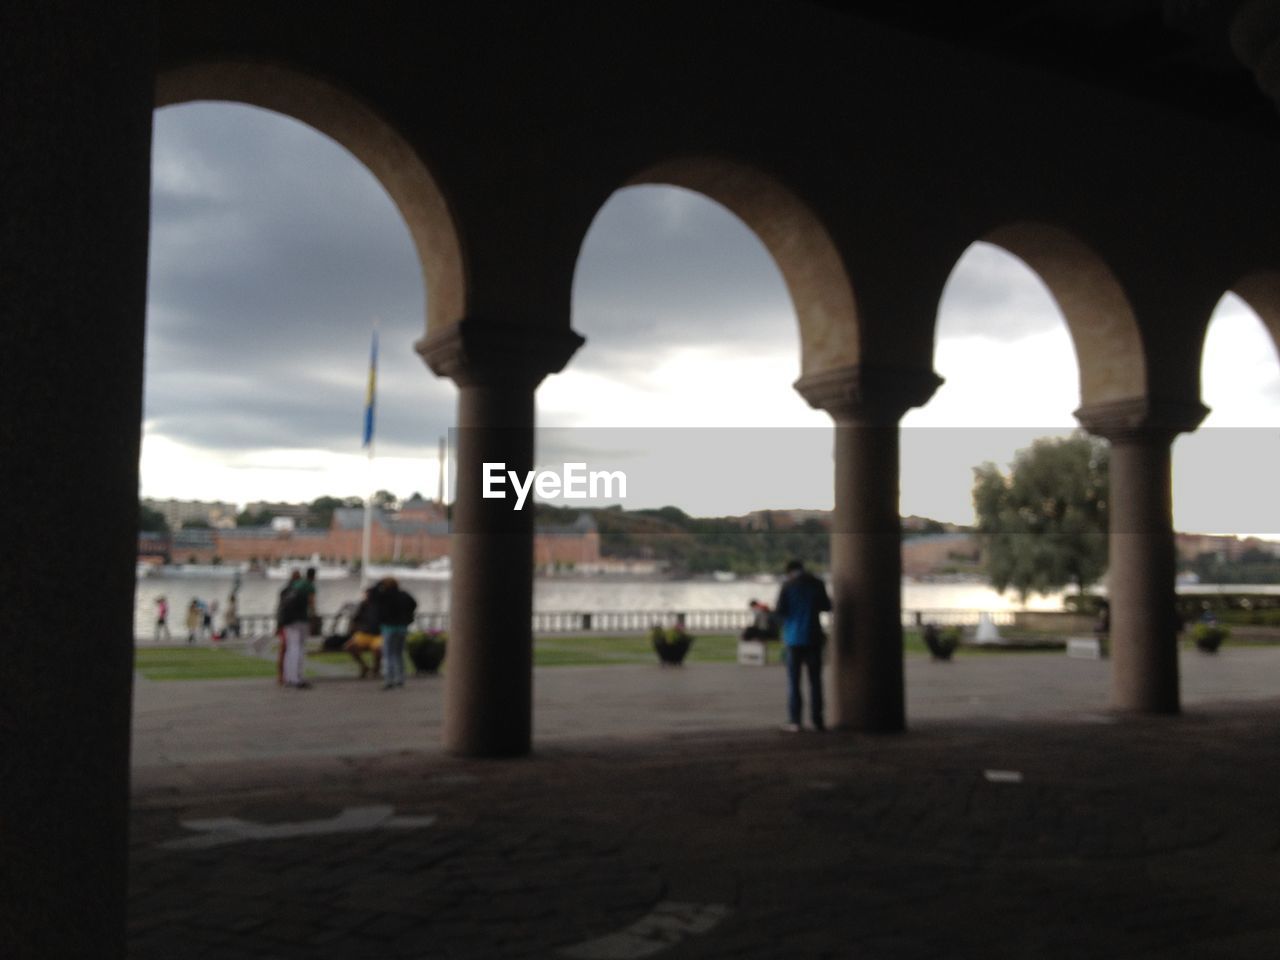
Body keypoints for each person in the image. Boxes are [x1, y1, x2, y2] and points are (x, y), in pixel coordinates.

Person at [774, 559, 832, 732]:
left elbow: (780, 611)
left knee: (794, 681)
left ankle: (795, 720)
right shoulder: (817, 584)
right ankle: (817, 720)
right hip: (813, 637)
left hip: (794, 638)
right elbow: (827, 606)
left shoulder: (787, 586)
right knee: (815, 681)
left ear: (790, 571)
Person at [375, 577, 417, 690]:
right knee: (399, 654)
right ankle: (400, 678)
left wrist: (378, 583)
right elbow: (414, 604)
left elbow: (372, 595)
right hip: (402, 627)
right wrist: (408, 618)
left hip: (389, 628)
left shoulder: (384, 596)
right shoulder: (404, 595)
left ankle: (389, 679)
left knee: (388, 654)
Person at [276, 569, 312, 690]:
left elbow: (280, 608)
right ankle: (296, 677)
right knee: (298, 648)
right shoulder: (303, 589)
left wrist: (279, 624)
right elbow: (309, 605)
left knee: (289, 649)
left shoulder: (285, 591)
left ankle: (288, 677)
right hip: (300, 621)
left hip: (287, 622)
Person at [344, 586, 384, 679]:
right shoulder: (363, 606)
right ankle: (364, 666)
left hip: (378, 635)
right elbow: (356, 619)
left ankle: (376, 668)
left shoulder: (381, 606)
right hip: (364, 634)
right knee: (349, 647)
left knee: (378, 649)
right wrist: (353, 631)